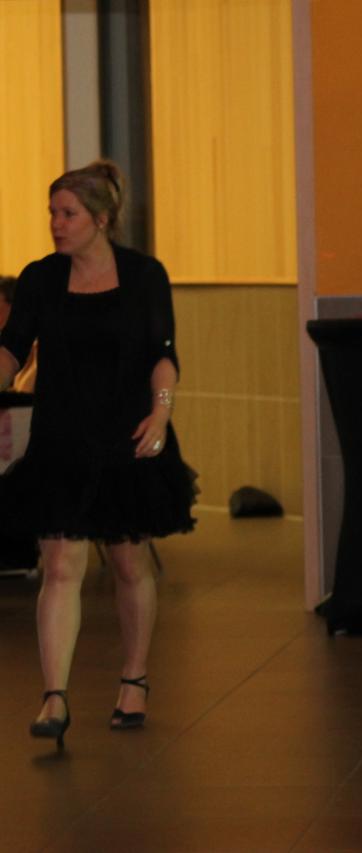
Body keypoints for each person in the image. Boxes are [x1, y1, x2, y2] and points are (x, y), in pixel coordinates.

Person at [0, 160, 196, 749]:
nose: (56, 224)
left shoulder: (143, 276)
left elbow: (163, 353)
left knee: (128, 564)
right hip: (61, 439)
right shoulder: (40, 279)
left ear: (102, 219)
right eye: (52, 213)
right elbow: (12, 349)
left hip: (127, 435)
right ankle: (54, 696)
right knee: (61, 566)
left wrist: (161, 412)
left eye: (68, 214)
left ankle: (134, 678)